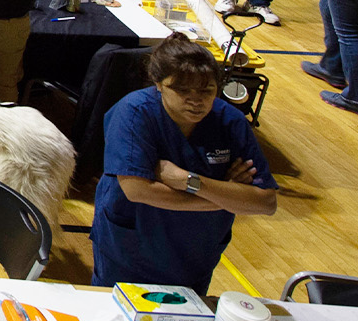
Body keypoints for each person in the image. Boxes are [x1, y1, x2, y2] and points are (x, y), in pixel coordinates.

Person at [89, 34, 277, 294]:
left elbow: (266, 203)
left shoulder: (230, 122)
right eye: (182, 90)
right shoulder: (133, 113)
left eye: (206, 90)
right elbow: (138, 190)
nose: (195, 100)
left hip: (195, 252)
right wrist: (227, 197)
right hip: (131, 250)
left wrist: (189, 181)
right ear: (158, 84)